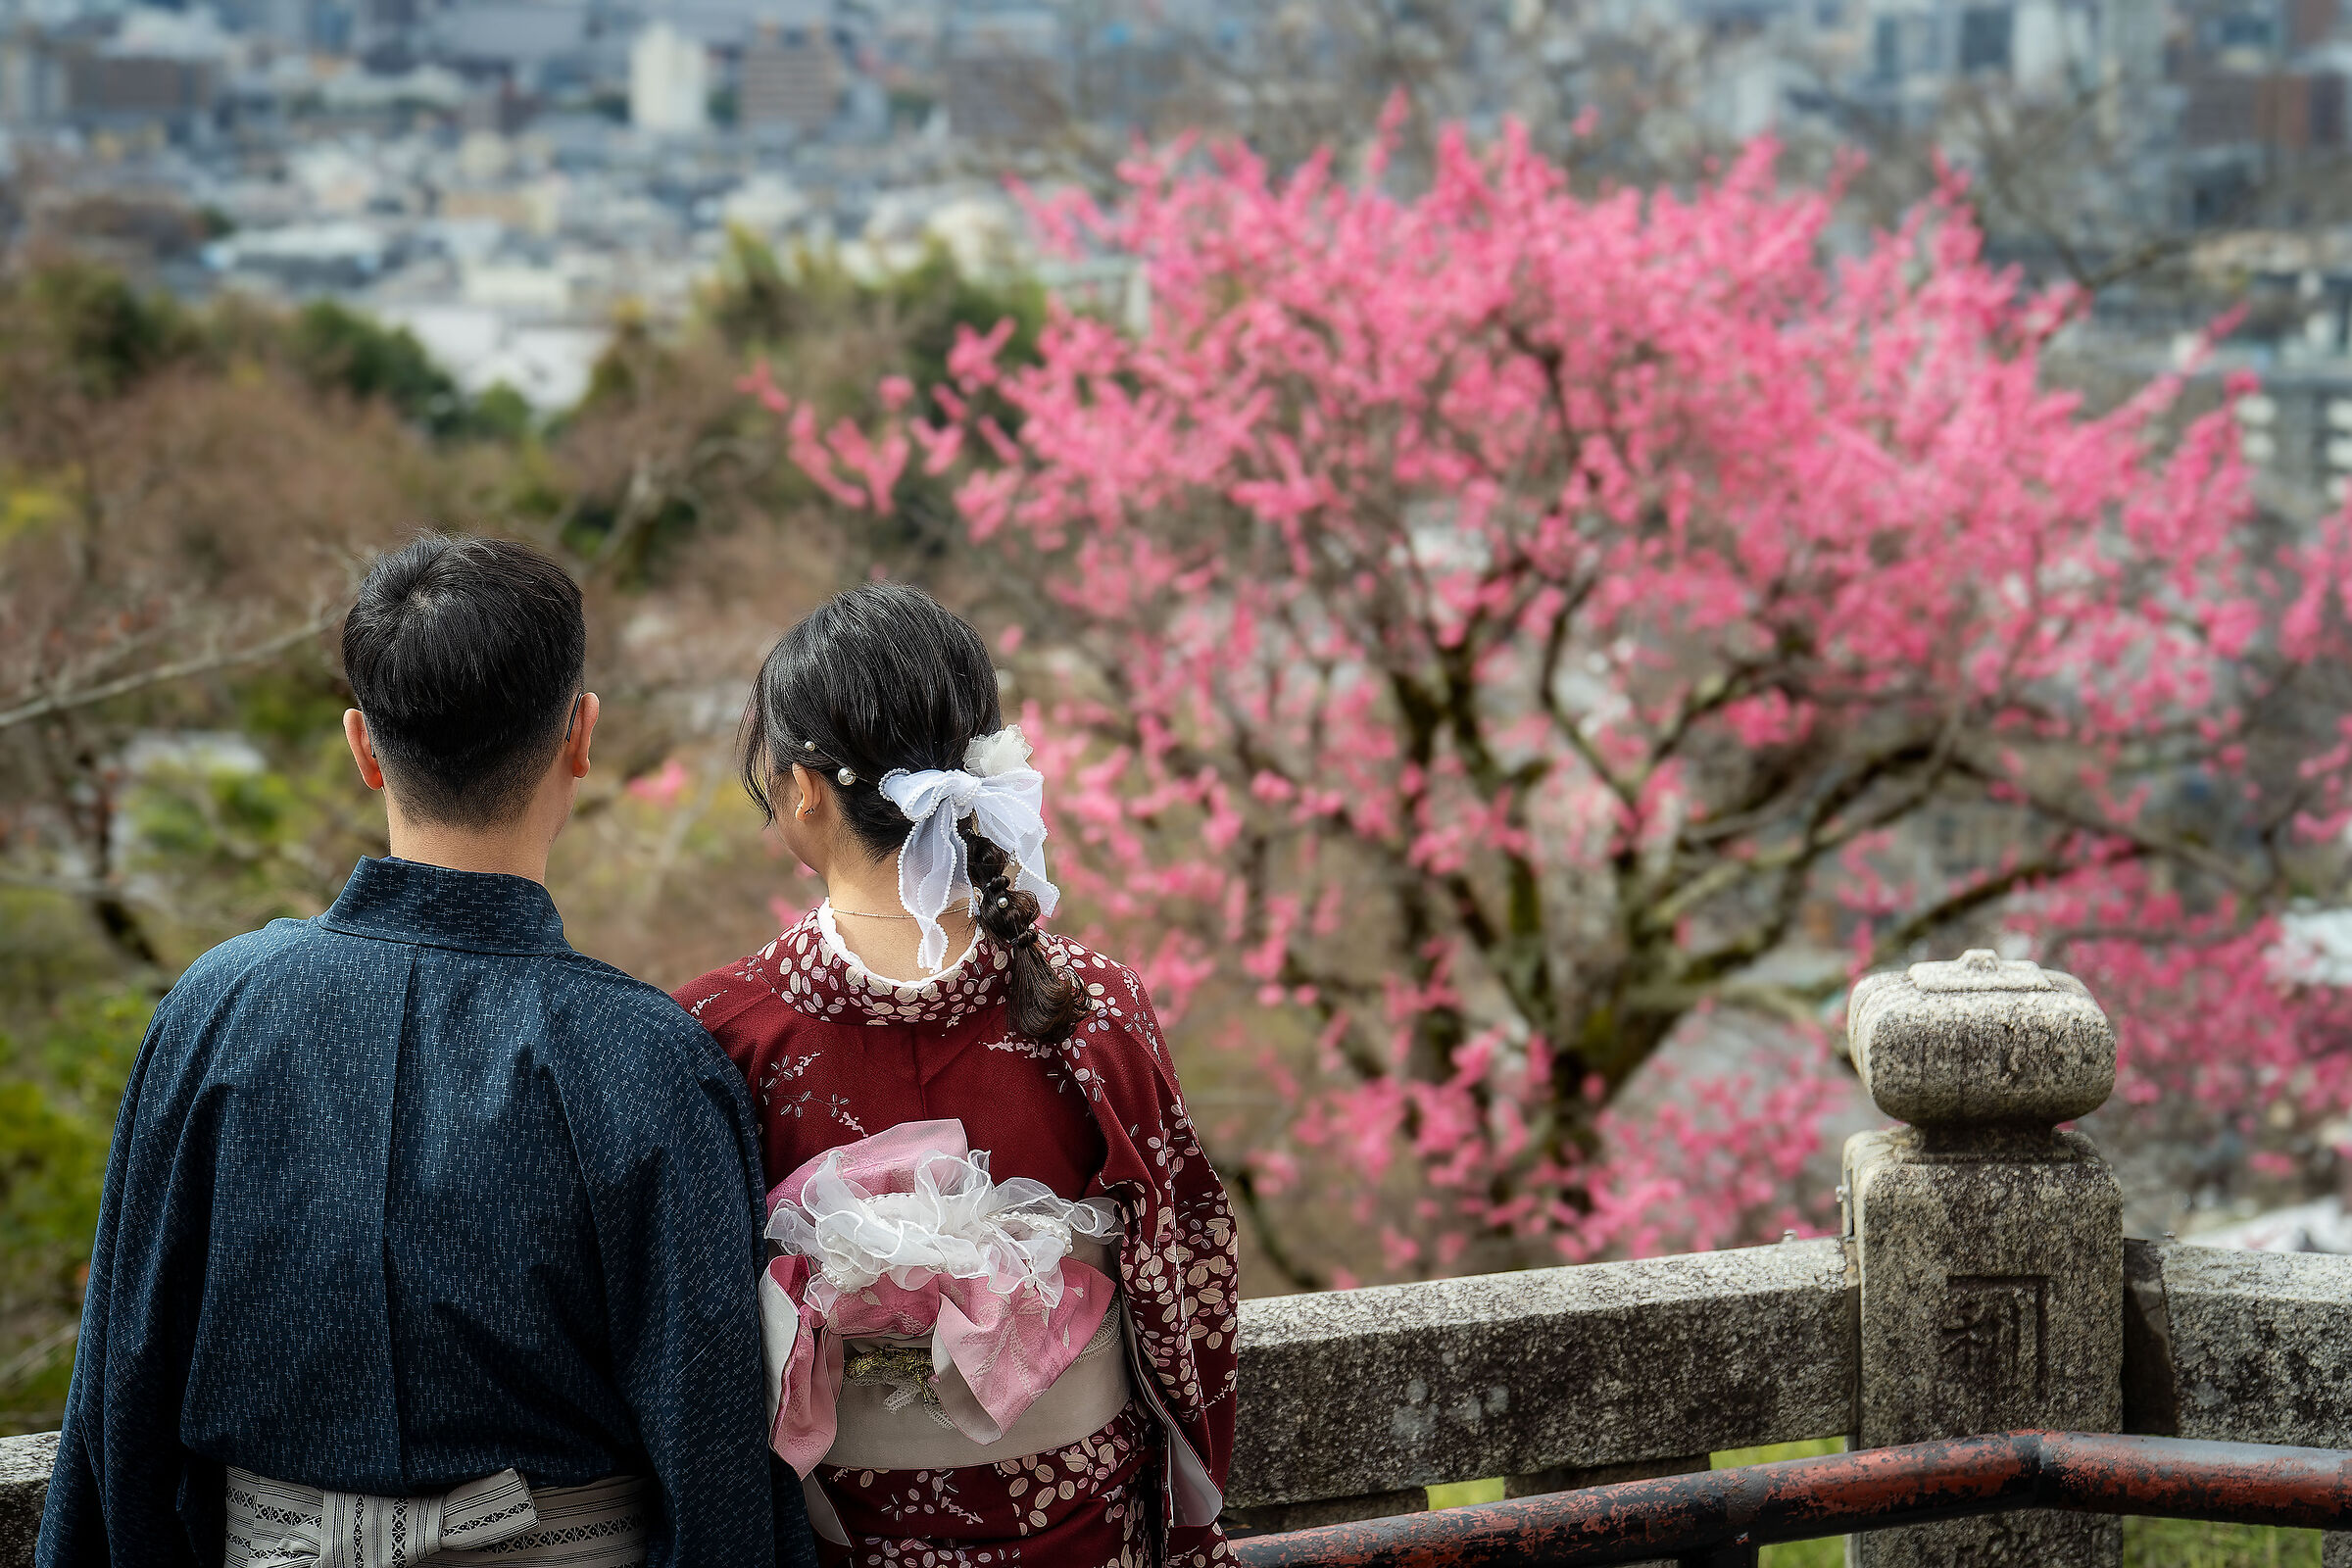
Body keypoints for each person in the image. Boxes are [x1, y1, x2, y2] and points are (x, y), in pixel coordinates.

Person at [37, 535, 815, 1568]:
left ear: (362, 746)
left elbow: (117, 1398)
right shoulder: (646, 1059)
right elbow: (715, 1453)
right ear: (580, 735)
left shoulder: (211, 1012)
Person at [673, 583, 1239, 1568]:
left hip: (838, 1538)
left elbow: (689, 1337)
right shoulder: (1094, 1009)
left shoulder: (724, 1029)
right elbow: (1184, 1283)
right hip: (1082, 1531)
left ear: (803, 788)